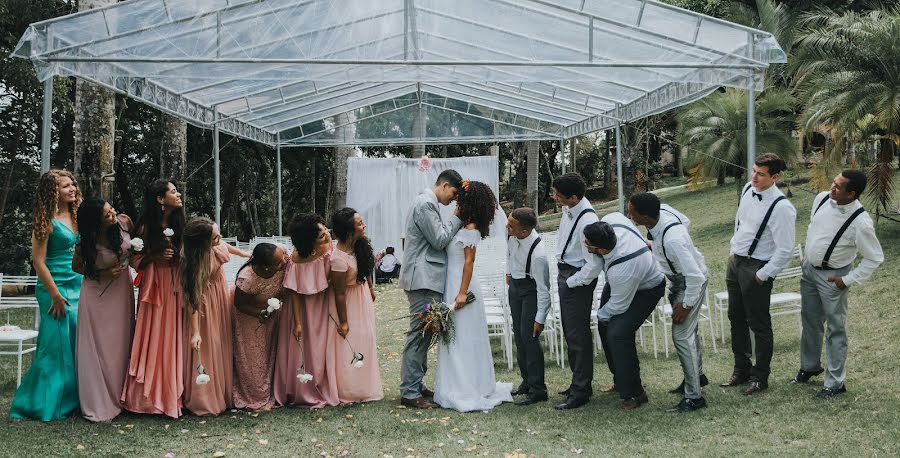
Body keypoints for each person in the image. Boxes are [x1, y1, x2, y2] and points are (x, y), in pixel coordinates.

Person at [793, 170, 883, 398]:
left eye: (838, 187)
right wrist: (808, 258)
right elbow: (814, 227)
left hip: (834, 278)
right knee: (810, 321)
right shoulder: (822, 198)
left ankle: (835, 383)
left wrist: (848, 279)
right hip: (810, 271)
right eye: (833, 183)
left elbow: (875, 258)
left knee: (836, 329)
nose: (832, 188)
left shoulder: (861, 222)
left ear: (852, 193)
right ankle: (809, 366)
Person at [433, 180, 513, 412]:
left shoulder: (471, 229)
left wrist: (461, 293)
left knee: (463, 338)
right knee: (454, 338)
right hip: (452, 283)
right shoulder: (462, 225)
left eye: (460, 197)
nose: (456, 199)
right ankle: (453, 385)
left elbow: (469, 262)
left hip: (462, 286)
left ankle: (467, 387)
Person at [10, 170, 82, 421]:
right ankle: (43, 402)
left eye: (72, 184)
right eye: (65, 186)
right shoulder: (45, 220)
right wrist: (54, 295)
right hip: (54, 286)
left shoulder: (77, 215)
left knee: (75, 342)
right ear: (53, 191)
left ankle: (73, 398)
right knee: (55, 345)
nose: (72, 188)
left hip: (78, 283)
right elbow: (38, 262)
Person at [722, 153, 797, 396]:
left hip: (757, 267)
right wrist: (734, 251)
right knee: (736, 317)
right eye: (753, 170)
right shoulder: (747, 188)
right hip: (736, 261)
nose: (754, 176)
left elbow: (785, 249)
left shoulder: (782, 207)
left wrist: (763, 275)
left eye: (760, 174)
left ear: (774, 177)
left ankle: (760, 376)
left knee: (759, 323)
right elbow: (741, 223)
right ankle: (741, 370)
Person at [628, 193, 709, 412]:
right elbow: (686, 221)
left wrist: (687, 304)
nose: (629, 214)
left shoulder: (673, 239)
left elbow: (696, 277)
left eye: (632, 211)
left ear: (645, 216)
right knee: (689, 333)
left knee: (681, 335)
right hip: (677, 279)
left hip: (689, 283)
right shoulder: (665, 211)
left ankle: (694, 398)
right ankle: (697, 378)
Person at [398, 169, 464, 409]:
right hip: (422, 279)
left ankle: (416, 384)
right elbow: (439, 239)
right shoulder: (425, 204)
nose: (453, 200)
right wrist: (457, 217)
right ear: (445, 185)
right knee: (419, 334)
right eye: (454, 194)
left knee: (425, 333)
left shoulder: (427, 203)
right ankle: (409, 392)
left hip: (426, 278)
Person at [121, 179, 186, 418]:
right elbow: (134, 262)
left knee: (172, 337)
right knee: (154, 335)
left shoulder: (179, 225)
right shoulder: (145, 228)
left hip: (175, 285)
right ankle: (145, 398)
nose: (178, 194)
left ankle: (171, 393)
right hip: (154, 287)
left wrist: (178, 257)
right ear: (160, 199)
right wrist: (153, 257)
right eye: (173, 191)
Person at [587, 215, 666, 410]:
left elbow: (618, 306)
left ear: (602, 250)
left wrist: (600, 314)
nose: (584, 244)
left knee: (618, 333)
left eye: (589, 244)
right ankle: (620, 380)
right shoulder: (613, 220)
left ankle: (635, 393)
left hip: (647, 289)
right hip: (623, 284)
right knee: (605, 328)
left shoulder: (622, 269)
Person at [72, 197, 135, 422]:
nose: (113, 215)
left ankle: (122, 396)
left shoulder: (124, 222)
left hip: (121, 292)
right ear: (94, 223)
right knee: (98, 347)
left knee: (120, 343)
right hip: (96, 295)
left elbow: (135, 251)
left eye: (111, 210)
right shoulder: (86, 242)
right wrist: (103, 273)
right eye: (107, 215)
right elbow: (77, 266)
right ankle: (99, 402)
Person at [181, 217, 249, 416]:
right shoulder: (195, 264)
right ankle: (206, 399)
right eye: (215, 237)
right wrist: (195, 332)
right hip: (206, 306)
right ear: (203, 243)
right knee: (210, 345)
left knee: (221, 344)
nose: (219, 238)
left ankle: (224, 392)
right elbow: (193, 299)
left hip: (220, 298)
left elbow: (225, 246)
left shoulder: (216, 244)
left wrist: (244, 253)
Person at [275, 213, 340, 408]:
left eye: (325, 230)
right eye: (320, 235)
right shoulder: (296, 259)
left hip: (325, 305)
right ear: (308, 240)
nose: (327, 235)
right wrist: (297, 322)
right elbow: (294, 292)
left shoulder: (330, 249)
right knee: (306, 347)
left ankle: (327, 384)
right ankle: (305, 389)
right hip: (302, 310)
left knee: (324, 347)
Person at [551, 172, 600, 410]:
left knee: (578, 335)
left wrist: (570, 282)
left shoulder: (587, 221)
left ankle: (581, 389)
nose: (555, 198)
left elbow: (594, 265)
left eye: (558, 195)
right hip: (565, 273)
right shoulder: (569, 211)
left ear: (572, 197)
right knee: (571, 333)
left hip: (576, 279)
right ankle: (577, 383)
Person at [331, 208, 384, 403]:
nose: (364, 226)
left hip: (361, 297)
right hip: (348, 303)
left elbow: (365, 267)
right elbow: (339, 293)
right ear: (349, 230)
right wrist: (343, 322)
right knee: (349, 344)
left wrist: (369, 288)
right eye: (360, 223)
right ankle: (349, 389)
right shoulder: (338, 259)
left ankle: (364, 386)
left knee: (366, 340)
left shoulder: (359, 245)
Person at [232, 243, 288, 411]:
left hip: (274, 317)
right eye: (279, 262)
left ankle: (275, 391)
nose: (285, 261)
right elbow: (239, 304)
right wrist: (259, 313)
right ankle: (254, 396)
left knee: (272, 354)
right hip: (250, 319)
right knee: (254, 360)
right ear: (265, 267)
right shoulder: (247, 278)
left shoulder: (281, 255)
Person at [505, 207, 551, 406]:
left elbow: (544, 290)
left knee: (530, 338)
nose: (507, 227)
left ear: (524, 231)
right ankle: (526, 381)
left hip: (531, 291)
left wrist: (539, 318)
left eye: (511, 226)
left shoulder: (538, 254)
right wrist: (509, 272)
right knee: (519, 336)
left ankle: (538, 389)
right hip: (515, 288)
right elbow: (509, 254)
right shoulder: (512, 236)